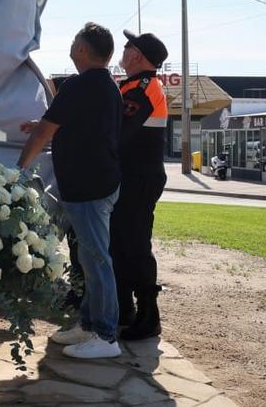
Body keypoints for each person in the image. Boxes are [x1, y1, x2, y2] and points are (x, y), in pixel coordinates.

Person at [18, 22, 123, 359]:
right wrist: (42, 125)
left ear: (81, 50)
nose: (72, 42)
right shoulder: (106, 86)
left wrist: (20, 170)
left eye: (75, 39)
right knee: (89, 258)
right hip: (99, 184)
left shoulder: (77, 86)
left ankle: (106, 336)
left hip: (89, 187)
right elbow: (79, 125)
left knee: (96, 260)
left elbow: (43, 135)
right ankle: (89, 324)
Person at [112, 30, 170, 340]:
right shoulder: (134, 85)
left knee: (135, 245)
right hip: (131, 175)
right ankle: (124, 309)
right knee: (120, 243)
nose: (122, 51)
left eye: (127, 46)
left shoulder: (144, 88)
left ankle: (149, 315)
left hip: (139, 177)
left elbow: (120, 133)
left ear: (136, 55)